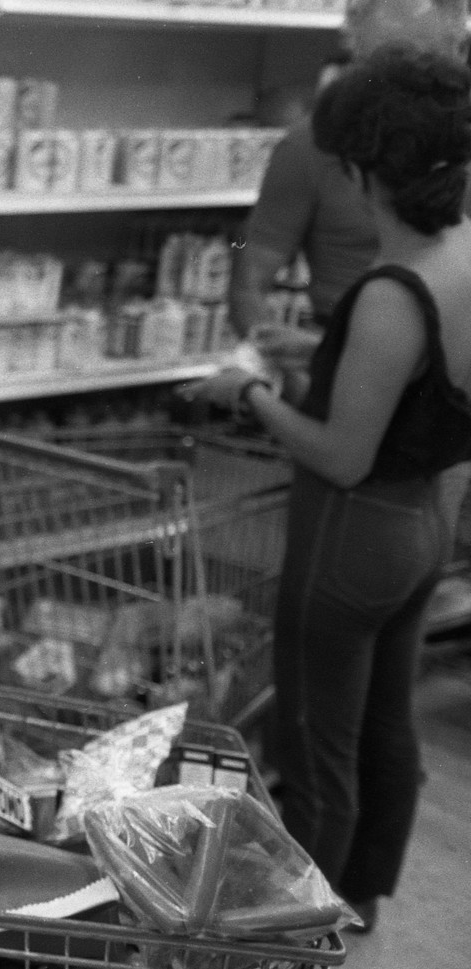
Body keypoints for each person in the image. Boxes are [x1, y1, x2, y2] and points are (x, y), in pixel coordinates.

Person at [185, 44, 471, 935]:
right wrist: (325, 357)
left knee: (316, 744)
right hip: (424, 523)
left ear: (357, 174)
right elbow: (419, 390)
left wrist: (253, 393)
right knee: (389, 725)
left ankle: (297, 931)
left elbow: (341, 455)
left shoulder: (388, 293)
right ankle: (367, 902)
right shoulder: (459, 259)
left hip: (350, 534)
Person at [227, 0, 467, 344]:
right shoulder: (312, 144)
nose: (403, 89)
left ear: (458, 52)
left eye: (422, 65)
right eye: (383, 68)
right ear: (353, 53)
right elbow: (248, 289)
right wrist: (307, 375)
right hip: (346, 343)